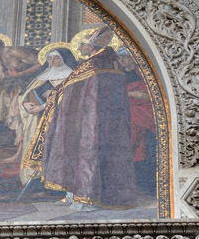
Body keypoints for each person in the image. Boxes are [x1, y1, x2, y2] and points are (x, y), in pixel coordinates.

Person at [29, 27, 136, 210]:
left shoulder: (91, 65)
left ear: (92, 47)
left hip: (84, 118)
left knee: (84, 152)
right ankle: (77, 194)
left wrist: (54, 95)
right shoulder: (112, 63)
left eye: (83, 45)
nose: (79, 49)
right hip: (107, 120)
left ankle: (85, 197)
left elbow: (69, 90)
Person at [17, 46, 77, 186]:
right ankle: (35, 179)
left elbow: (68, 98)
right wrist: (25, 104)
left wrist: (42, 107)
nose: (52, 61)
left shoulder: (72, 76)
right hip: (38, 120)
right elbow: (24, 95)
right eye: (49, 58)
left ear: (64, 59)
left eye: (56, 58)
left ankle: (55, 182)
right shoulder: (42, 76)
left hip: (59, 120)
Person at [117, 47, 156, 195]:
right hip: (127, 113)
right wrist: (130, 93)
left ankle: (147, 185)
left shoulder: (142, 72)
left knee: (146, 147)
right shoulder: (118, 75)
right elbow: (112, 93)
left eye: (125, 57)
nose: (122, 60)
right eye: (120, 58)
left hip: (144, 113)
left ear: (133, 58)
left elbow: (149, 94)